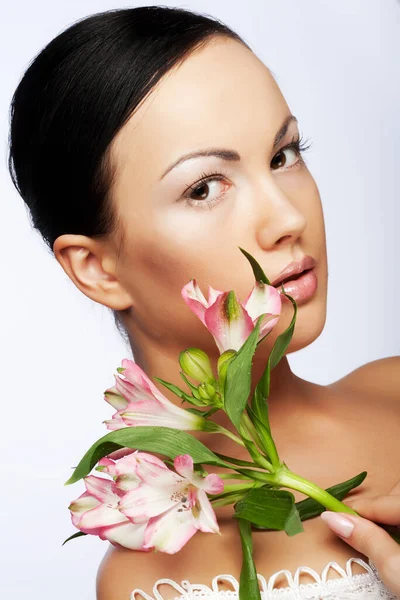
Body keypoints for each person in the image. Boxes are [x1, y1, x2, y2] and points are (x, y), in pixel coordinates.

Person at [7, 5, 400, 600]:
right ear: (97, 269)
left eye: (284, 154)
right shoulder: (149, 582)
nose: (289, 218)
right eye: (204, 188)